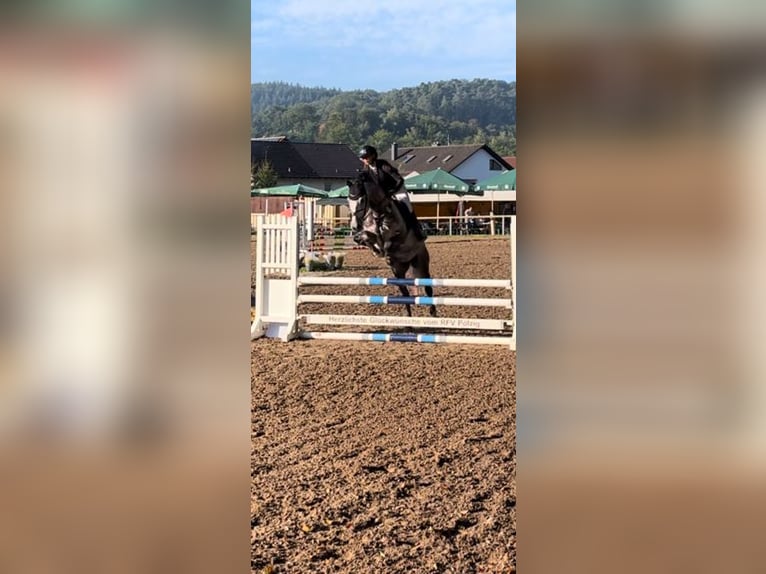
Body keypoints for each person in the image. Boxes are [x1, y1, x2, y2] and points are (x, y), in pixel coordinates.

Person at [352, 144, 426, 242]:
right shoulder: (366, 170)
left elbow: (399, 180)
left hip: (397, 190)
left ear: (373, 156)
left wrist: (392, 192)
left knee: (407, 208)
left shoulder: (383, 166)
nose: (364, 160)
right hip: (383, 195)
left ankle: (418, 231)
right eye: (362, 158)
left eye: (366, 157)